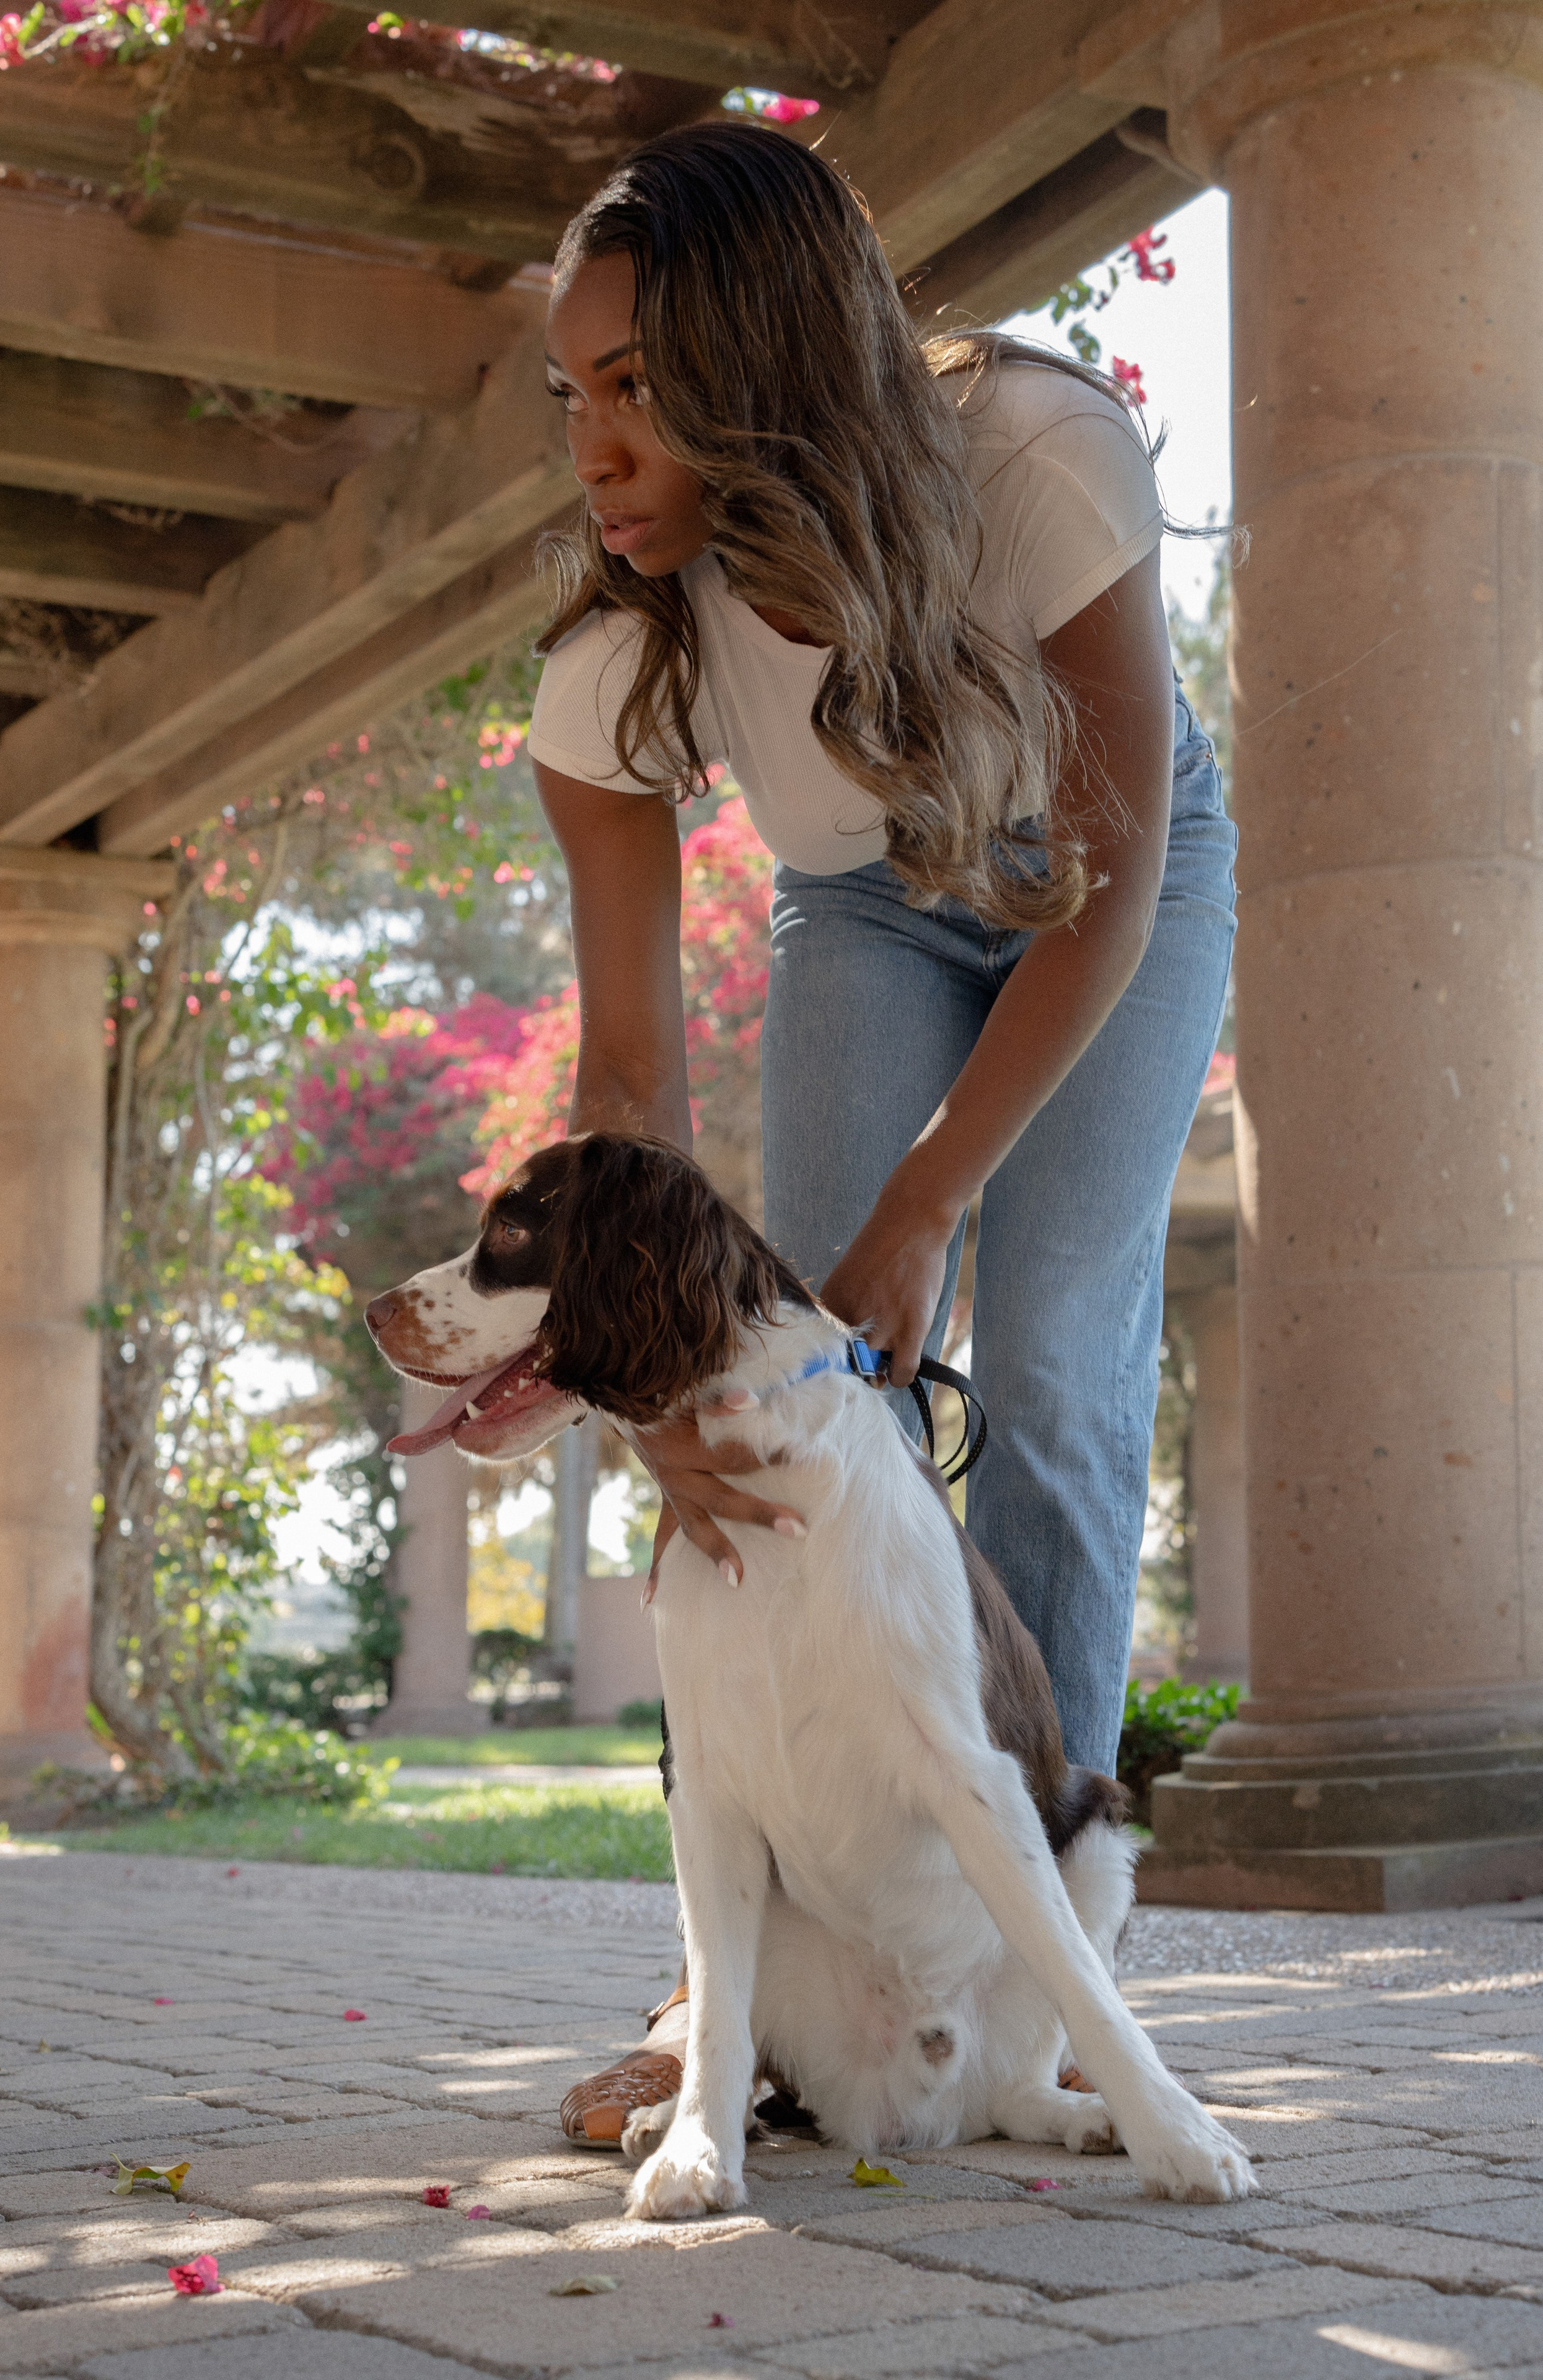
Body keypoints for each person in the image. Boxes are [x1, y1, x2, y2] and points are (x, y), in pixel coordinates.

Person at [527, 120, 1235, 2147]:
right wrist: (636, 1383)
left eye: (640, 393)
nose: (588, 446)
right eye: (571, 394)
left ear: (765, 361)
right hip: (863, 906)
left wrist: (935, 1195)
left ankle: (1034, 1999)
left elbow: (1102, 871)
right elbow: (630, 1098)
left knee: (1065, 1377)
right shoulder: (609, 657)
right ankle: (718, 1999)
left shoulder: (1037, 456)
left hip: (1115, 882)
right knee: (777, 1414)